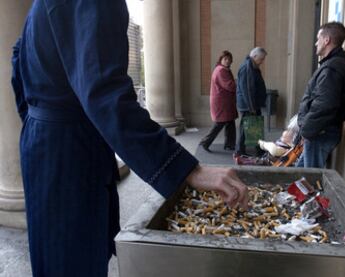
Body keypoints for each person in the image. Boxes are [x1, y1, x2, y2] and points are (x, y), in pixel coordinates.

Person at [10, 1, 248, 276]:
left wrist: (41, 127)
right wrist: (185, 168)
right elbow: (105, 94)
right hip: (69, 154)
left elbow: (17, 63)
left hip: (44, 144)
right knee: (74, 260)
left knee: (54, 257)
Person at [295, 22, 345, 168]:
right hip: (318, 131)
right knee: (300, 177)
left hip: (320, 133)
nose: (316, 43)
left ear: (326, 40)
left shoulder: (332, 68)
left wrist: (306, 131)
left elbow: (324, 105)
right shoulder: (333, 65)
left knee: (310, 182)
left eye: (318, 38)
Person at [199, 50, 237, 152]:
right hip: (222, 103)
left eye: (229, 59)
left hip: (225, 102)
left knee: (230, 122)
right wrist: (239, 83)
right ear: (221, 59)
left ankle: (229, 144)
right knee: (220, 123)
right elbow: (230, 86)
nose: (228, 61)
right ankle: (205, 142)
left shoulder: (223, 69)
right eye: (225, 59)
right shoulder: (221, 70)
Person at [234, 47, 267, 157]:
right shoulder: (247, 67)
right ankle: (239, 151)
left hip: (251, 104)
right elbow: (247, 89)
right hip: (248, 105)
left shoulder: (252, 66)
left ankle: (259, 150)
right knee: (246, 128)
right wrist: (251, 107)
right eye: (261, 59)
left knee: (255, 126)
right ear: (255, 56)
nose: (262, 62)